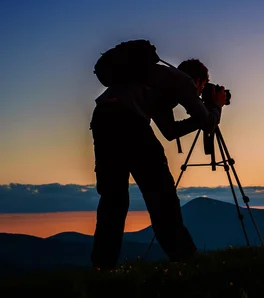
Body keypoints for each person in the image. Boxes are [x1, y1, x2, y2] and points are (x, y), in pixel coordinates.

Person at [89, 58, 227, 270]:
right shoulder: (184, 82)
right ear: (198, 80)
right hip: (130, 121)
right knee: (161, 195)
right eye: (200, 89)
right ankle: (186, 259)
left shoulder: (159, 80)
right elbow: (208, 123)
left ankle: (102, 267)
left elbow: (170, 131)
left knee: (113, 198)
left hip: (103, 118)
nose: (198, 95)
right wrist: (217, 105)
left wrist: (203, 116)